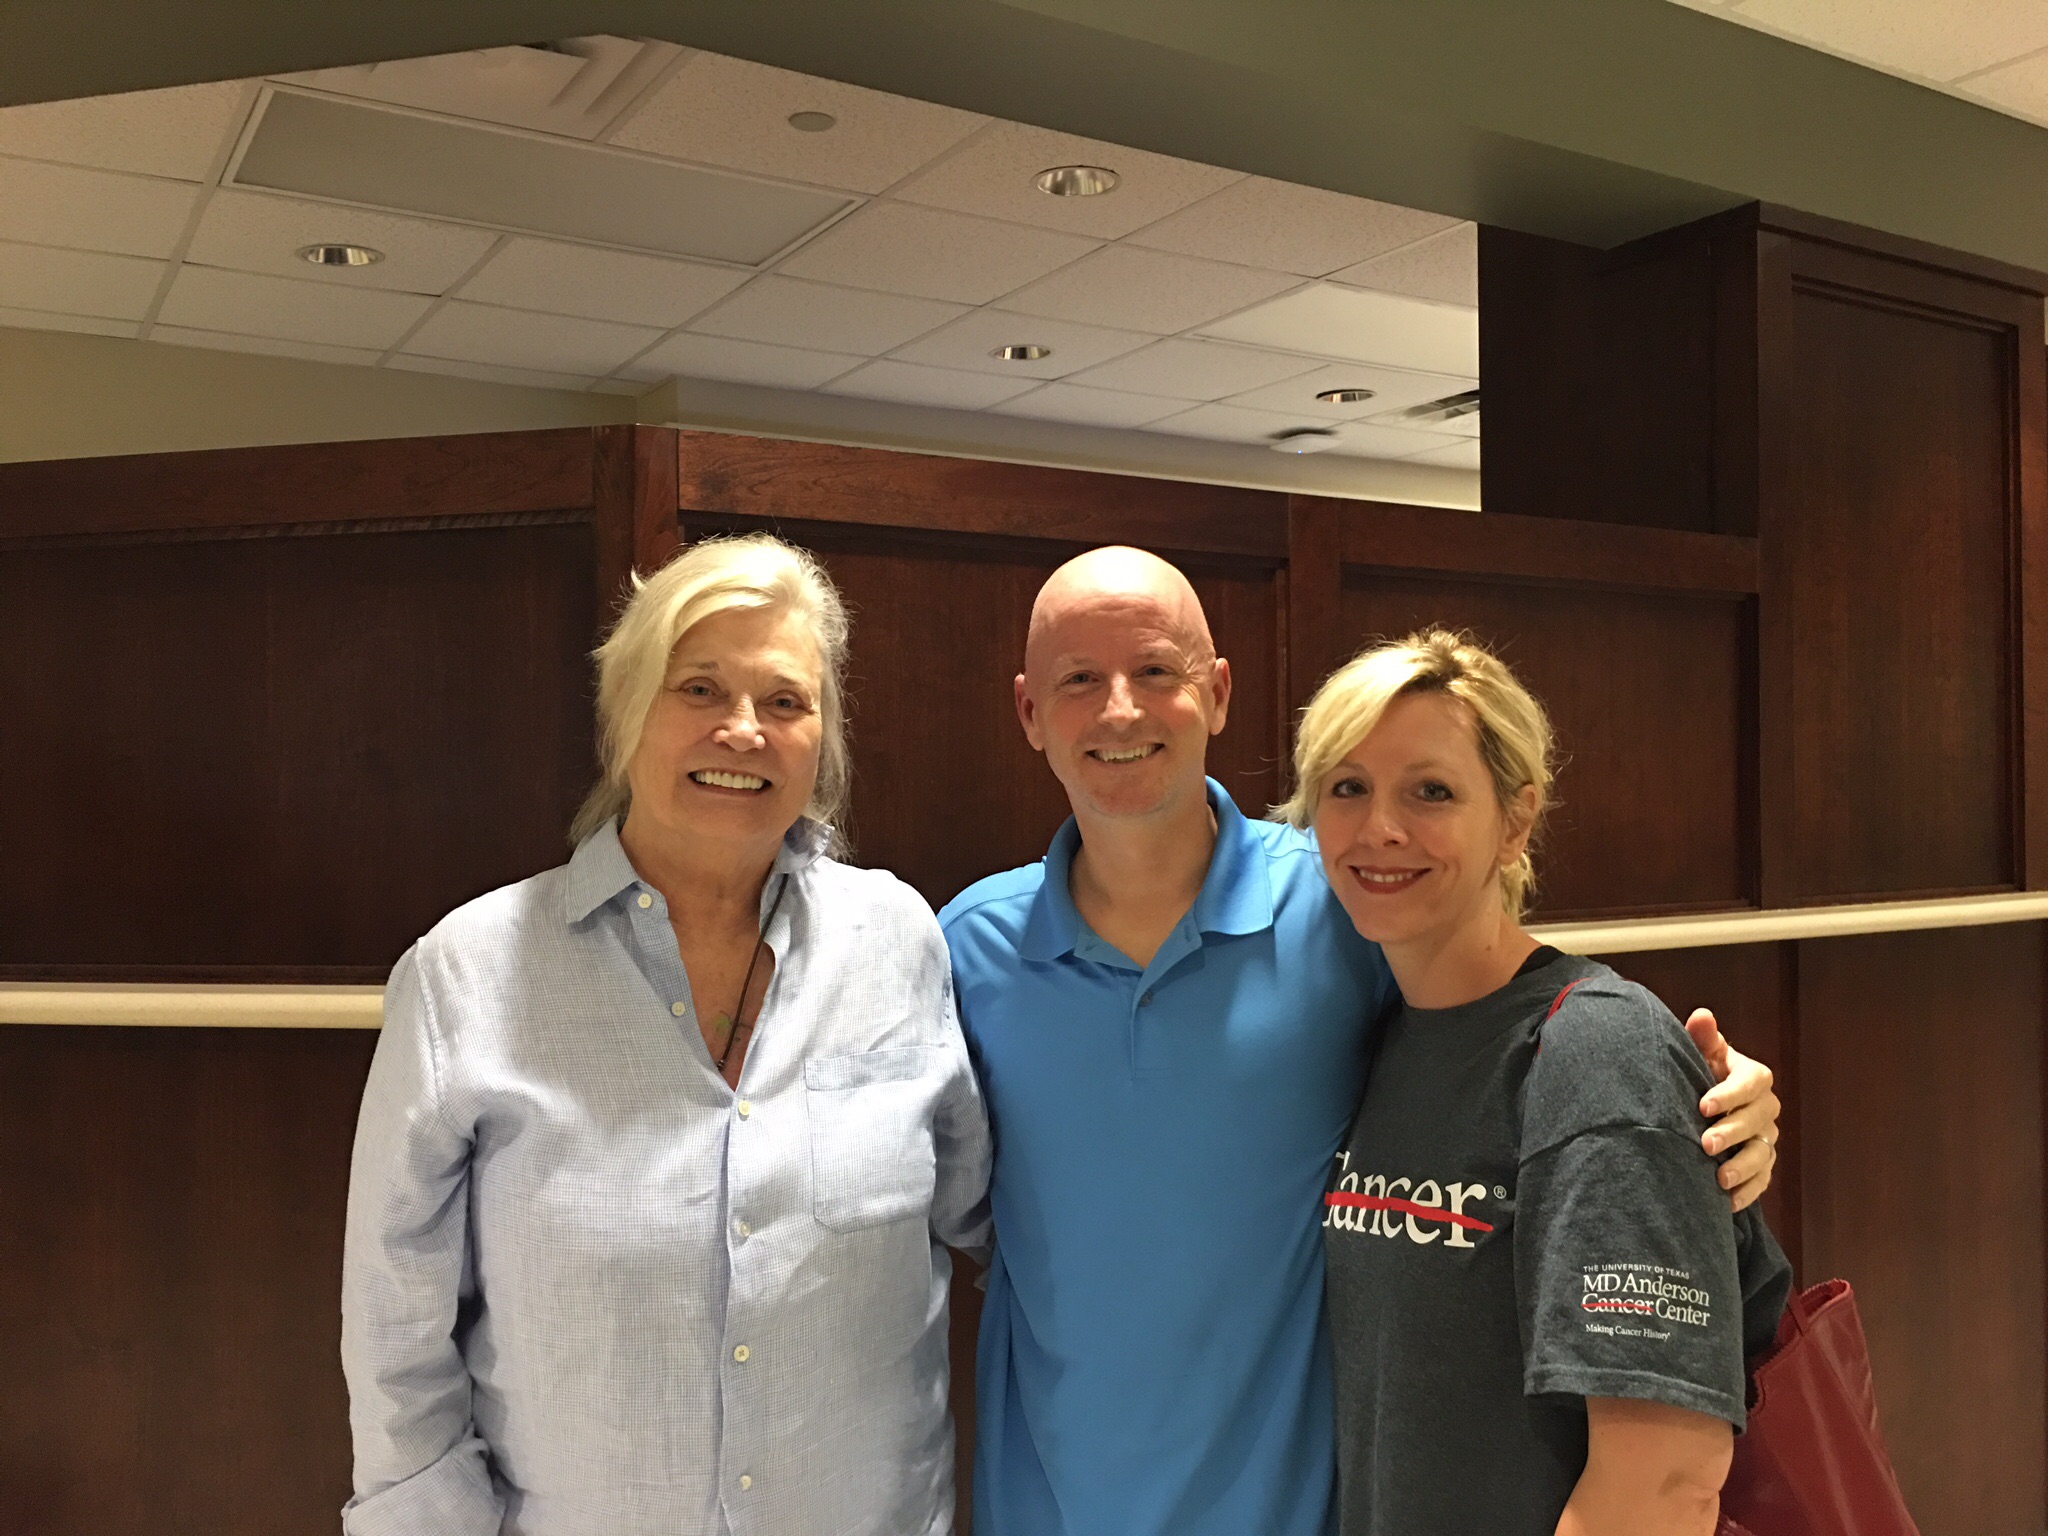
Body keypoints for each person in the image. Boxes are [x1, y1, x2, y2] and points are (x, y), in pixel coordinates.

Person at [938, 546, 1779, 1536]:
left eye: (1156, 670)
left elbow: (1520, 1000)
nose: (1119, 709)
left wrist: (1702, 1094)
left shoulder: (1342, 910)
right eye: (1079, 678)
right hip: (1042, 1508)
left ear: (1217, 693)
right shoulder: (964, 951)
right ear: (1029, 711)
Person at [340, 534, 989, 1536]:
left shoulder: (898, 942)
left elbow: (980, 1214)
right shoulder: (467, 972)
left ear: (823, 738)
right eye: (699, 689)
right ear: (625, 714)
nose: (743, 730)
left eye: (785, 700)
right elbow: (396, 1320)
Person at [1291, 629, 1791, 1535]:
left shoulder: (1599, 1053)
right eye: (1347, 787)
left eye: (1431, 791)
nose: (1379, 829)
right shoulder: (1382, 1039)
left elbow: (1665, 1481)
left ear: (1515, 821)